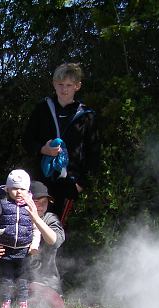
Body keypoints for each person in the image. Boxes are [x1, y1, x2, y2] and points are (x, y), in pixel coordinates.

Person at [22, 62, 99, 224]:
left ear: (77, 86)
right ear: (54, 84)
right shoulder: (42, 109)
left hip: (69, 182)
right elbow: (27, 141)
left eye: (69, 85)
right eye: (60, 84)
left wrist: (81, 183)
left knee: (58, 229)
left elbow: (93, 152)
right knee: (35, 226)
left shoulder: (86, 115)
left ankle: (56, 251)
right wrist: (43, 150)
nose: (64, 89)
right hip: (41, 181)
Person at [0, 181, 66, 308]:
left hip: (43, 283)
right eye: (35, 201)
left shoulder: (49, 219)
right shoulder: (9, 218)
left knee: (55, 306)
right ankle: (13, 302)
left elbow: (54, 241)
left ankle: (19, 302)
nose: (39, 206)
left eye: (44, 202)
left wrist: (35, 218)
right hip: (14, 281)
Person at [0, 169, 40, 308]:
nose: (18, 192)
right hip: (5, 250)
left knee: (23, 279)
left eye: (22, 189)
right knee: (6, 278)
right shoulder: (1, 204)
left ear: (28, 189)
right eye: (15, 188)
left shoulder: (31, 206)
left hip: (24, 250)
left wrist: (34, 245)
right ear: (8, 188)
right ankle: (5, 302)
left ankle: (23, 302)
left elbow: (36, 227)